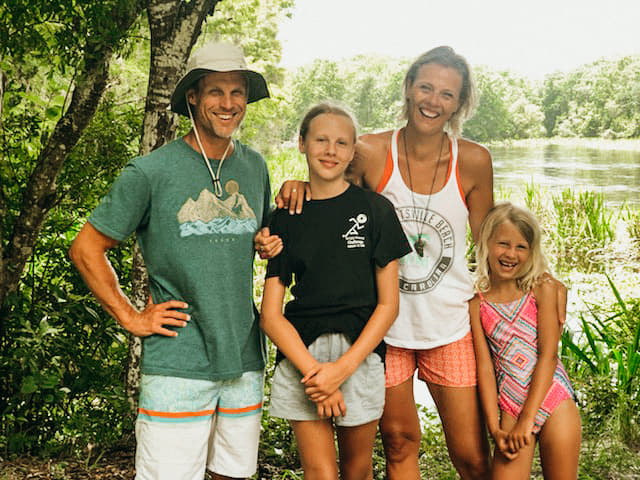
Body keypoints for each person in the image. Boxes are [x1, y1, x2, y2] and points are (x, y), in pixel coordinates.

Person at [273, 46, 494, 479]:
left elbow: (490, 244)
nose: (433, 101)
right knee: (397, 442)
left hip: (448, 322)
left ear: (459, 103)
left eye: (447, 94)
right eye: (425, 87)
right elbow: (329, 186)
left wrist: (532, 285)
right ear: (409, 88)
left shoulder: (474, 160)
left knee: (470, 454)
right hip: (384, 325)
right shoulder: (371, 151)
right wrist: (294, 184)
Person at [69, 41, 281, 480]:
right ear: (193, 97)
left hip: (244, 355)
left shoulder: (256, 167)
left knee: (233, 473)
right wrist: (131, 316)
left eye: (237, 92)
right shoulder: (150, 172)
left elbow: (261, 237)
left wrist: (271, 233)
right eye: (216, 92)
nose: (228, 103)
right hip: (179, 360)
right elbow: (86, 248)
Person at [260, 103, 411, 479]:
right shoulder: (285, 216)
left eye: (342, 143)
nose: (331, 150)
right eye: (321, 140)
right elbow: (271, 314)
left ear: (353, 150)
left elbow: (388, 305)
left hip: (358, 355)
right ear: (301, 144)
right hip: (301, 355)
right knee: (322, 474)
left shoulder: (376, 210)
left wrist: (341, 370)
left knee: (357, 470)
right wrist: (317, 374)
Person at [469, 202, 581, 479]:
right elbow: (484, 366)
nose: (511, 254)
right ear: (486, 244)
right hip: (511, 403)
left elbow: (548, 356)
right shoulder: (476, 304)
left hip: (552, 396)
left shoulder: (541, 289)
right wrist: (494, 426)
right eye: (503, 244)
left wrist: (528, 419)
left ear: (532, 252)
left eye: (521, 247)